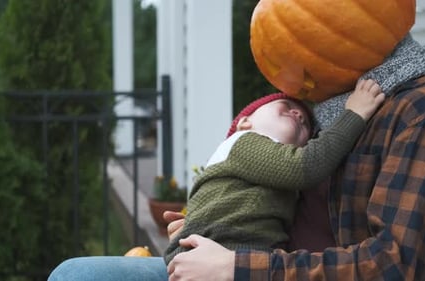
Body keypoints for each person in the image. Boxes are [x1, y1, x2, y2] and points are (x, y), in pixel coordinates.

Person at [165, 33, 425, 280]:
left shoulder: (422, 115)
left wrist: (237, 267)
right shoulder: (325, 113)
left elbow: (393, 265)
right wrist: (211, 224)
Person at [165, 79, 385, 264]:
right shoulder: (243, 142)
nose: (298, 114)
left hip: (239, 259)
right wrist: (354, 113)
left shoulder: (275, 173)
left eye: (307, 125)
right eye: (285, 106)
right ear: (244, 122)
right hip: (216, 254)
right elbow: (306, 165)